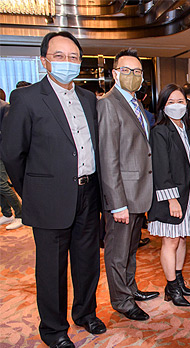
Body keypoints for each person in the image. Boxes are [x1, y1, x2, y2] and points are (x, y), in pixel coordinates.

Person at [1, 31, 106, 348]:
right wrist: (33, 190)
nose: (67, 62)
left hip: (89, 193)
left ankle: (85, 313)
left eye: (74, 57)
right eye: (59, 56)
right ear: (44, 60)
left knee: (87, 261)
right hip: (49, 199)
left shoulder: (88, 98)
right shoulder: (28, 98)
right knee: (51, 269)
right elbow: (12, 154)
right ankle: (54, 329)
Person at [98, 48, 158, 321]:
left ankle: (130, 288)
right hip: (123, 196)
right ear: (114, 73)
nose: (132, 76)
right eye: (126, 70)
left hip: (139, 193)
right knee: (117, 252)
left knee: (131, 249)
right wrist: (116, 202)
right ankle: (122, 301)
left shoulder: (136, 104)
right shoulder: (109, 104)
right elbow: (109, 157)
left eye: (137, 72)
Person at [147, 84, 190, 307]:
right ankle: (171, 287)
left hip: (188, 194)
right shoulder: (160, 130)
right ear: (163, 106)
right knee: (170, 241)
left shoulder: (185, 129)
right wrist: (172, 199)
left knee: (182, 238)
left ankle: (178, 280)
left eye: (180, 102)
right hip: (171, 198)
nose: (177, 106)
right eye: (171, 102)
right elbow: (161, 168)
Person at [0, 88, 23, 230]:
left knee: (2, 184)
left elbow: (9, 131)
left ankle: (20, 213)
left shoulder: (4, 107)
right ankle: (7, 213)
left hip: (2, 151)